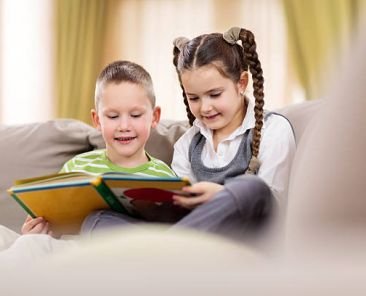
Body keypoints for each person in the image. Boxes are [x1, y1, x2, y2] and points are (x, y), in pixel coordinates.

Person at [168, 26, 296, 242]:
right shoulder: (186, 144)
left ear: (241, 83)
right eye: (194, 98)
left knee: (253, 188)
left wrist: (221, 196)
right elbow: (181, 210)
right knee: (102, 218)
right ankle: (162, 248)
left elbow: (272, 207)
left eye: (214, 94)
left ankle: (158, 250)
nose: (205, 108)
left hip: (247, 243)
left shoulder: (273, 130)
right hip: (196, 240)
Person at [21, 60, 176, 236]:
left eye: (135, 115)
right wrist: (35, 231)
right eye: (112, 116)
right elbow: (50, 221)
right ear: (97, 120)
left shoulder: (165, 177)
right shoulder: (76, 168)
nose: (124, 125)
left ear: (154, 117)